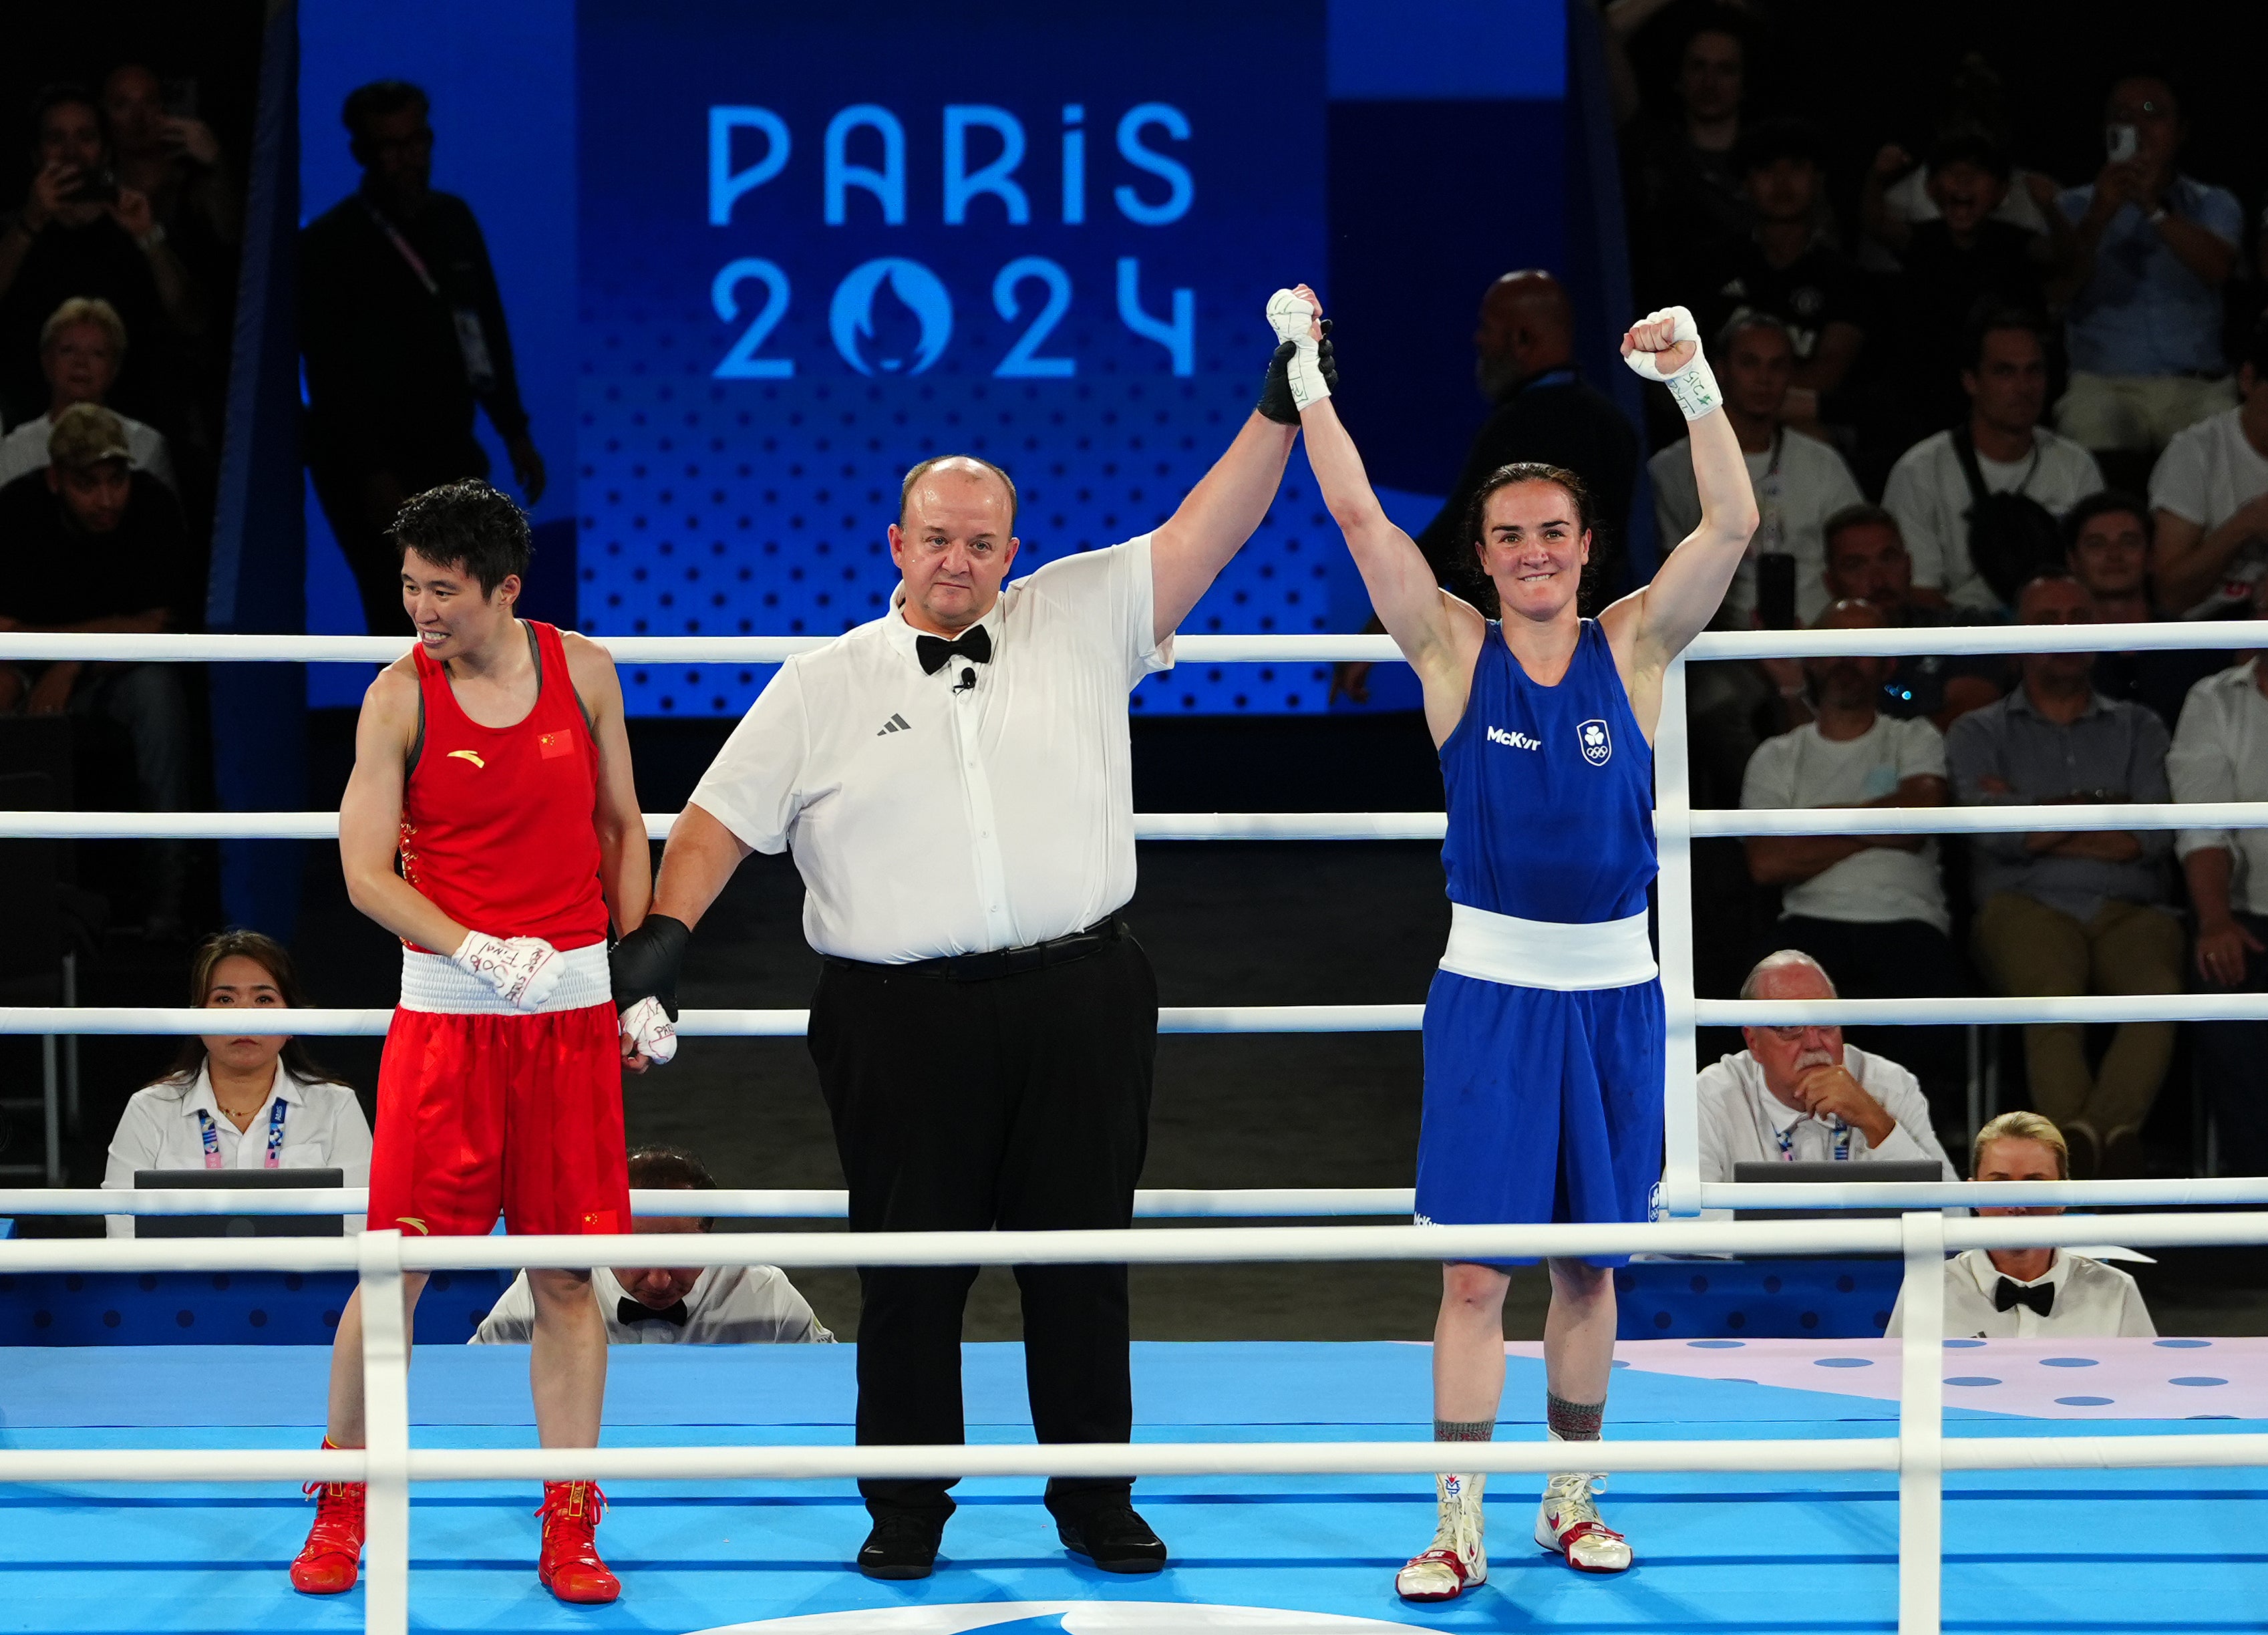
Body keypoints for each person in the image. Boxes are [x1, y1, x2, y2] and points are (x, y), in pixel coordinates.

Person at [607, 305, 1325, 1584]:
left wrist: (1276, 404)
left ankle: (1094, 1499)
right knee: (911, 1278)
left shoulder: (1084, 612)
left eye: (980, 541)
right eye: (936, 538)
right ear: (896, 543)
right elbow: (715, 822)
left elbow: (1214, 525)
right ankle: (908, 1510)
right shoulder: (823, 682)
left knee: (1080, 1268)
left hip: (1083, 995)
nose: (957, 559)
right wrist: (663, 933)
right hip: (900, 1020)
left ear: (1011, 550)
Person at [1292, 291, 1755, 1601]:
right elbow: (1355, 521)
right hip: (1490, 992)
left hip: (1611, 994)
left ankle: (1570, 1495)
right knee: (1468, 1273)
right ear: (1484, 555)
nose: (1533, 551)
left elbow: (1730, 521)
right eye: (1509, 536)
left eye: (1552, 531)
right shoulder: (1451, 649)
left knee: (1586, 1265)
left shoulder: (1638, 644)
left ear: (1586, 542)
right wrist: (1303, 371)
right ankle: (1452, 1520)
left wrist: (1693, 380)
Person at [289, 480, 652, 1606]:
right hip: (450, 1014)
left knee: (565, 1279)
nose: (420, 608)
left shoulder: (584, 671)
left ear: (505, 587)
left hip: (571, 1020)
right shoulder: (397, 699)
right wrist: (482, 948)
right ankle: (342, 1499)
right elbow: (361, 874)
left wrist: (636, 980)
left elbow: (620, 826)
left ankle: (572, 1521)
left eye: (442, 589)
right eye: (408, 585)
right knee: (393, 1272)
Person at [1945, 576, 2180, 1180]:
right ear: (2020, 637)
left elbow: (2150, 835)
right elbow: (1991, 832)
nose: (2067, 631)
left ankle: (2080, 1147)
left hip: (2130, 908)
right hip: (2023, 905)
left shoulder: (2141, 727)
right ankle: (2102, 1149)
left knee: (2160, 992)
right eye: (2049, 617)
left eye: (2080, 615)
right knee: (2052, 998)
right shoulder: (1978, 730)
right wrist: (2101, 802)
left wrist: (2036, 812)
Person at [301, 81, 544, 637]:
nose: (406, 159)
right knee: (401, 617)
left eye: (416, 142)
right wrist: (372, 473)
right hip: (369, 466)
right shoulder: (330, 244)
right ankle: (404, 726)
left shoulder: (453, 220)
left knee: (475, 609)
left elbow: (483, 330)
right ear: (362, 152)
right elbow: (331, 374)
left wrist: (514, 430)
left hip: (449, 450)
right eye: (389, 146)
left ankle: (476, 724)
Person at [1739, 600, 1967, 1112]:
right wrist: (1876, 825)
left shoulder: (1914, 736)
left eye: (1863, 648)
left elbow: (1920, 815)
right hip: (1806, 923)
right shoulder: (1776, 756)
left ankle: (1900, 1158)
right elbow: (1766, 863)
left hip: (1908, 923)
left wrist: (1814, 824)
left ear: (1887, 664)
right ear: (1811, 660)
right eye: (1834, 644)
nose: (1846, 659)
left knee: (1929, 1008)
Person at [0, 403, 196, 933]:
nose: (107, 499)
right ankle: (19, 902)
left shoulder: (153, 506)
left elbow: (158, 627)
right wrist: (53, 658)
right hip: (24, 670)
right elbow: (4, 634)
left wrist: (73, 659)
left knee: (159, 692)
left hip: (118, 673)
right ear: (55, 479)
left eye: (116, 480)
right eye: (89, 483)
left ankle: (167, 902)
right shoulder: (16, 510)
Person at [101, 931, 369, 1237]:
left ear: (294, 1019)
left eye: (264, 999)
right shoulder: (150, 1109)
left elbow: (358, 1229)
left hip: (305, 1283)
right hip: (183, 1284)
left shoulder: (337, 1106)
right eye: (225, 999)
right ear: (196, 1019)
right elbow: (123, 1232)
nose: (244, 1015)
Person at [1415, 271, 1639, 608]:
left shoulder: (1515, 427)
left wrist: (1361, 652)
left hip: (1504, 640)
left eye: (1486, 328)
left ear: (1522, 339)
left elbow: (1446, 544)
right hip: (1599, 637)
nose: (1478, 340)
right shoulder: (1616, 425)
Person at [2052, 75, 2241, 458]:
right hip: (2105, 385)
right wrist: (2101, 213)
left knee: (2220, 437)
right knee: (2089, 423)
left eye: (2152, 113)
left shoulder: (2212, 202)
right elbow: (2058, 289)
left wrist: (2153, 208)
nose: (2136, 126)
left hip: (2198, 388)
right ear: (2106, 131)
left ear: (2181, 131)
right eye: (2122, 116)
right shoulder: (2072, 206)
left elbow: (2218, 267)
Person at [474, 1147, 833, 1346]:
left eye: (679, 1255)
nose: (659, 1280)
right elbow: (472, 1381)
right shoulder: (554, 1286)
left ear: (707, 1237)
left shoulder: (762, 1290)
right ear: (605, 1239)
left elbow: (835, 1384)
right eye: (637, 1255)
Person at [0, 84, 198, 430]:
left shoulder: (139, 223)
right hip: (29, 432)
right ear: (36, 155)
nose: (71, 152)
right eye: (56, 139)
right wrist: (30, 223)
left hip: (131, 431)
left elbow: (194, 321)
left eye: (86, 137)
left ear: (106, 152)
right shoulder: (13, 230)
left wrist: (149, 238)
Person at [1882, 310, 2104, 611]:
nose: (2023, 387)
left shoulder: (2076, 465)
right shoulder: (1920, 472)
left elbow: (2094, 581)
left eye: (2034, 371)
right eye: (2005, 372)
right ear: (1971, 381)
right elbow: (1920, 594)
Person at [1653, 312, 1860, 630]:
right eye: (1750, 363)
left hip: (1819, 639)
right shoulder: (1671, 470)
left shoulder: (1823, 464)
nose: (1764, 379)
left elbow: (1859, 553)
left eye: (1777, 366)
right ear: (1720, 370)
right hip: (1719, 642)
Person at [1693, 951, 1955, 1192]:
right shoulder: (1713, 1095)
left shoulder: (1889, 1085)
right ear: (1753, 1042)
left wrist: (1877, 1123)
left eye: (1826, 1022)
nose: (1813, 1043)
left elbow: (1954, 1223)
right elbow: (1684, 1226)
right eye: (1789, 1027)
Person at [1886, 1111, 2154, 1338]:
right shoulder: (1927, 1290)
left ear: (2065, 1196)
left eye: (2034, 1183)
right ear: (1972, 1195)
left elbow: (2146, 1393)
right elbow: (1888, 1391)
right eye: (2000, 1184)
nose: (2017, 1203)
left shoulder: (2117, 1291)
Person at [1871, 136, 2066, 448]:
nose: (1963, 181)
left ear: (2001, 192)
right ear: (1932, 189)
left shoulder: (2014, 242)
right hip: (1927, 390)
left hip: (2000, 385)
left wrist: (2052, 209)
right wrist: (1878, 178)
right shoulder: (1921, 239)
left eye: (1977, 173)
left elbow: (2066, 257)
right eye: (1951, 172)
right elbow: (1875, 222)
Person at [1693, 119, 1869, 438]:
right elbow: (1688, 358)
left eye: (1797, 167)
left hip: (1806, 431)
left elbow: (1830, 371)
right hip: (1715, 424)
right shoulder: (1711, 265)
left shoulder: (1845, 276)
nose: (1782, 182)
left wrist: (1749, 392)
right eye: (1766, 169)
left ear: (1818, 180)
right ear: (1746, 183)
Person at [2169, 617, 2268, 1177]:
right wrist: (2214, 921)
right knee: (2220, 971)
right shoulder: (2214, 699)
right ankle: (2257, 1188)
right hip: (2247, 914)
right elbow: (2204, 826)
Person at [1816, 505, 2004, 732]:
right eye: (1855, 566)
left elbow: (1970, 719)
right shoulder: (1815, 651)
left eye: (1888, 559)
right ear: (1830, 582)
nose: (1878, 581)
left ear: (1909, 565)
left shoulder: (1960, 630)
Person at [2146, 314, 2268, 620]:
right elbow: (2170, 595)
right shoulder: (2196, 452)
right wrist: (2247, 524)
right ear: (2248, 380)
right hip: (2212, 630)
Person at [2068, 490, 2221, 729]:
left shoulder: (2196, 646)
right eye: (2097, 545)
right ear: (2073, 561)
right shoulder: (2059, 651)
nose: (2114, 556)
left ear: (2150, 557)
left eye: (2129, 542)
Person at [0, 296, 176, 491]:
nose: (81, 363)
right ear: (46, 361)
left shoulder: (145, 446)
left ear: (115, 368)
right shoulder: (15, 450)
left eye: (97, 353)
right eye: (68, 350)